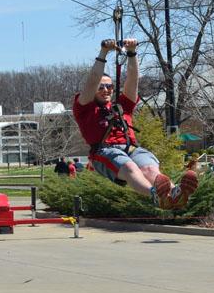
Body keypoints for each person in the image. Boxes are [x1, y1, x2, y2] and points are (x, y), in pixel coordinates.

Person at [73, 38, 198, 210]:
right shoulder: (85, 108)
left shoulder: (122, 106)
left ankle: (175, 194)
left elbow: (132, 80)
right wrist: (103, 53)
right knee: (130, 167)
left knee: (150, 169)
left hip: (131, 148)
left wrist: (131, 53)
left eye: (109, 87)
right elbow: (92, 80)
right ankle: (156, 195)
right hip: (104, 151)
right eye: (101, 87)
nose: (106, 90)